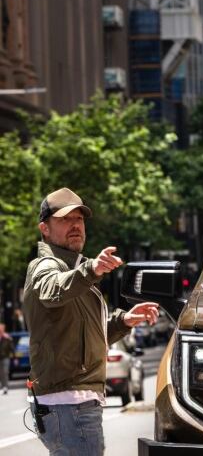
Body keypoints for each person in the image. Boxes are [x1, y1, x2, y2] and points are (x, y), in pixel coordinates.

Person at [23, 187, 159, 455]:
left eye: (79, 219)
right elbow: (53, 290)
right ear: (45, 229)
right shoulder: (46, 266)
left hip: (75, 402)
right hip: (68, 402)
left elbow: (83, 336)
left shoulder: (75, 269)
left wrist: (124, 321)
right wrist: (91, 269)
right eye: (64, 219)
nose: (75, 225)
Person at [0, 322, 13, 394]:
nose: (1, 330)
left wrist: (9, 339)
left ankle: (6, 387)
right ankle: (3, 386)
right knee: (1, 373)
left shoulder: (7, 337)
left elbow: (11, 347)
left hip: (6, 357)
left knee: (5, 372)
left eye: (2, 328)